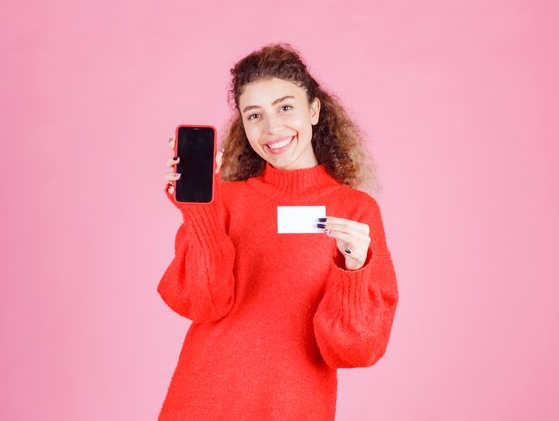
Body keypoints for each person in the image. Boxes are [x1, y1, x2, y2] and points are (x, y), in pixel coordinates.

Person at [157, 43, 399, 421]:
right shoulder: (222, 200)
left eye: (285, 107)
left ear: (314, 110)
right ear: (243, 124)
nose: (272, 128)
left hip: (293, 407)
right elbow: (204, 304)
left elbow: (353, 351)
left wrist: (353, 273)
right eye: (255, 115)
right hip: (203, 402)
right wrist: (200, 213)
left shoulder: (356, 211)